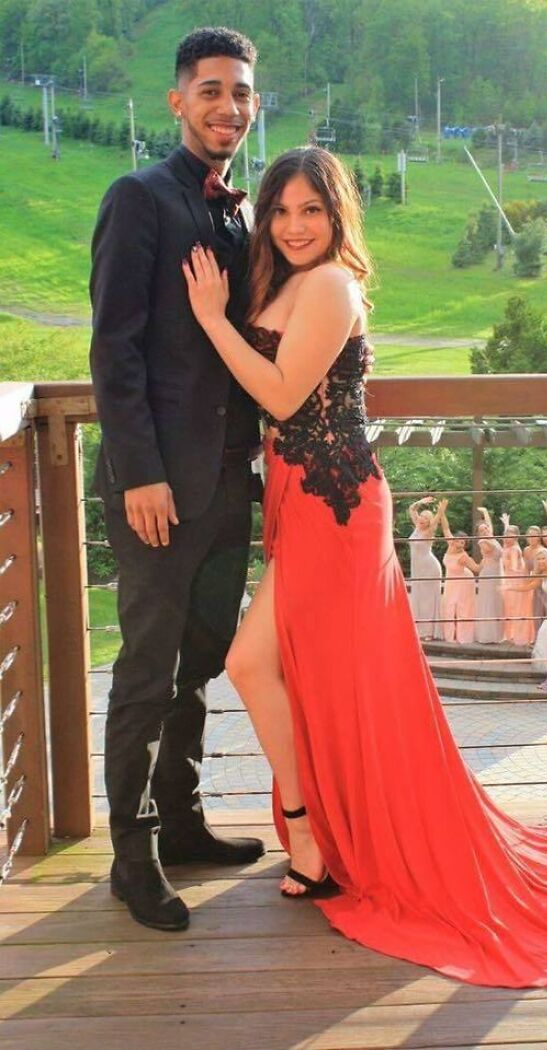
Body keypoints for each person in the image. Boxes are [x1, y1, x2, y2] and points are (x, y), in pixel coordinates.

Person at [182, 145, 547, 988]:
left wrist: (213, 320)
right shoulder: (285, 280)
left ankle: (309, 834)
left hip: (338, 505)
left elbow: (282, 394)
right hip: (303, 499)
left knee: (263, 664)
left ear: (337, 216)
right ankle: (315, 833)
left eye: (312, 210)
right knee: (281, 668)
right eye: (282, 211)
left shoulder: (331, 285)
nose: (296, 226)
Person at [89, 27, 267, 933]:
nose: (227, 107)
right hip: (156, 491)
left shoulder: (241, 212)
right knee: (146, 675)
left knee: (198, 665)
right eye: (210, 91)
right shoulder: (139, 197)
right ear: (177, 101)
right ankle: (133, 856)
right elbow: (114, 350)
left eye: (240, 92)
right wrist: (140, 475)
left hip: (230, 488)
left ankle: (185, 822)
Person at [438, 502, 477, 644]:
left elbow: (476, 568)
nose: (460, 543)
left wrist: (489, 559)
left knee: (462, 608)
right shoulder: (450, 543)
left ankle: (463, 637)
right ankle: (450, 637)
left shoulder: (463, 556)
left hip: (463, 581)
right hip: (450, 581)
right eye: (459, 540)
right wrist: (442, 512)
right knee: (448, 607)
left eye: (463, 543)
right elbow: (446, 528)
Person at [406, 496, 445, 640]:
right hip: (418, 569)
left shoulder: (428, 532)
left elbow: (434, 524)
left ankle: (429, 632)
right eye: (421, 516)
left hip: (429, 568)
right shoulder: (417, 526)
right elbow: (412, 509)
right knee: (419, 598)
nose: (422, 519)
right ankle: (418, 630)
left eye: (426, 518)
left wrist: (440, 513)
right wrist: (420, 502)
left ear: (429, 522)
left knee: (428, 600)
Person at [500, 514, 535, 646]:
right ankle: (510, 635)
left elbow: (514, 567)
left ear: (515, 537)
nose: (507, 537)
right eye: (506, 534)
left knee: (516, 608)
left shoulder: (514, 549)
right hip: (509, 579)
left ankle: (518, 636)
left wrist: (512, 566)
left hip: (516, 580)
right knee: (509, 607)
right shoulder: (507, 546)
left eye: (511, 535)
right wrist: (506, 523)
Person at [473, 507, 504, 644]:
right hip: (488, 573)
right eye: (482, 530)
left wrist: (485, 512)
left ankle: (497, 634)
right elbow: (491, 550)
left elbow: (490, 525)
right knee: (489, 602)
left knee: (496, 601)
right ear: (478, 534)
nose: (485, 530)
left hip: (497, 573)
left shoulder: (491, 538)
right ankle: (487, 635)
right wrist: (489, 535)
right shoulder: (483, 542)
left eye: (486, 528)